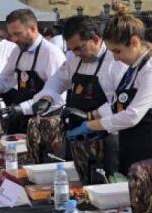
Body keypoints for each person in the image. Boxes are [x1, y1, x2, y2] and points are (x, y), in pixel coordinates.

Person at [84, 3, 152, 173]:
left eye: (118, 51)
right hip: (132, 147)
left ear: (134, 42)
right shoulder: (133, 69)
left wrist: (93, 125)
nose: (116, 59)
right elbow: (118, 103)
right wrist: (92, 115)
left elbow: (132, 116)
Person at [35, 16, 125, 174]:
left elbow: (120, 105)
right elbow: (57, 80)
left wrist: (89, 116)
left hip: (106, 138)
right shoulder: (73, 58)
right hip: (77, 136)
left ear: (95, 39)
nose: (75, 54)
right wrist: (46, 98)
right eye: (71, 50)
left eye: (79, 48)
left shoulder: (115, 60)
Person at [0, 10, 67, 128]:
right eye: (11, 35)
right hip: (21, 114)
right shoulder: (17, 51)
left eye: (18, 34)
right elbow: (4, 78)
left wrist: (23, 108)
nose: (14, 39)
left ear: (32, 28)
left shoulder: (51, 53)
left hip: (45, 119)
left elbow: (57, 93)